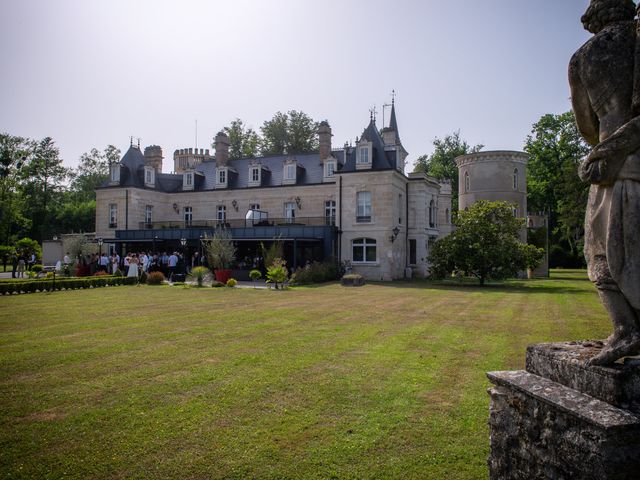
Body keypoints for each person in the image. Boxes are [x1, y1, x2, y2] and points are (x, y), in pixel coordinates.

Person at [570, 0, 640, 365]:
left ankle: (626, 330)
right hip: (629, 159)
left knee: (601, 254)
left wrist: (607, 148)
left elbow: (587, 126)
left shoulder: (583, 57)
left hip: (611, 167)